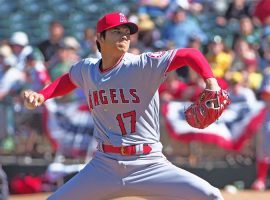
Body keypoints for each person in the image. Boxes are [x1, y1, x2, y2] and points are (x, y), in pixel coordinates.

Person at [23, 12, 224, 200]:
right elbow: (69, 79)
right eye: (117, 31)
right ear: (100, 38)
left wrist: (211, 82)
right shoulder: (87, 69)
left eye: (127, 33)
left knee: (211, 196)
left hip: (148, 163)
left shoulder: (142, 64)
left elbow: (190, 54)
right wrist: (42, 95)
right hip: (104, 165)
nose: (124, 36)